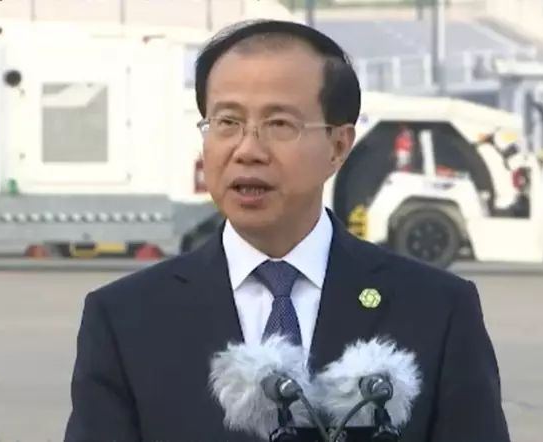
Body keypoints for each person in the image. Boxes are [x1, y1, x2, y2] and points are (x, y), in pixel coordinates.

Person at [63, 19, 510, 442]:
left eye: (279, 124)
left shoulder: (437, 310)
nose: (247, 150)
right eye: (227, 122)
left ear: (338, 146)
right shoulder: (126, 318)